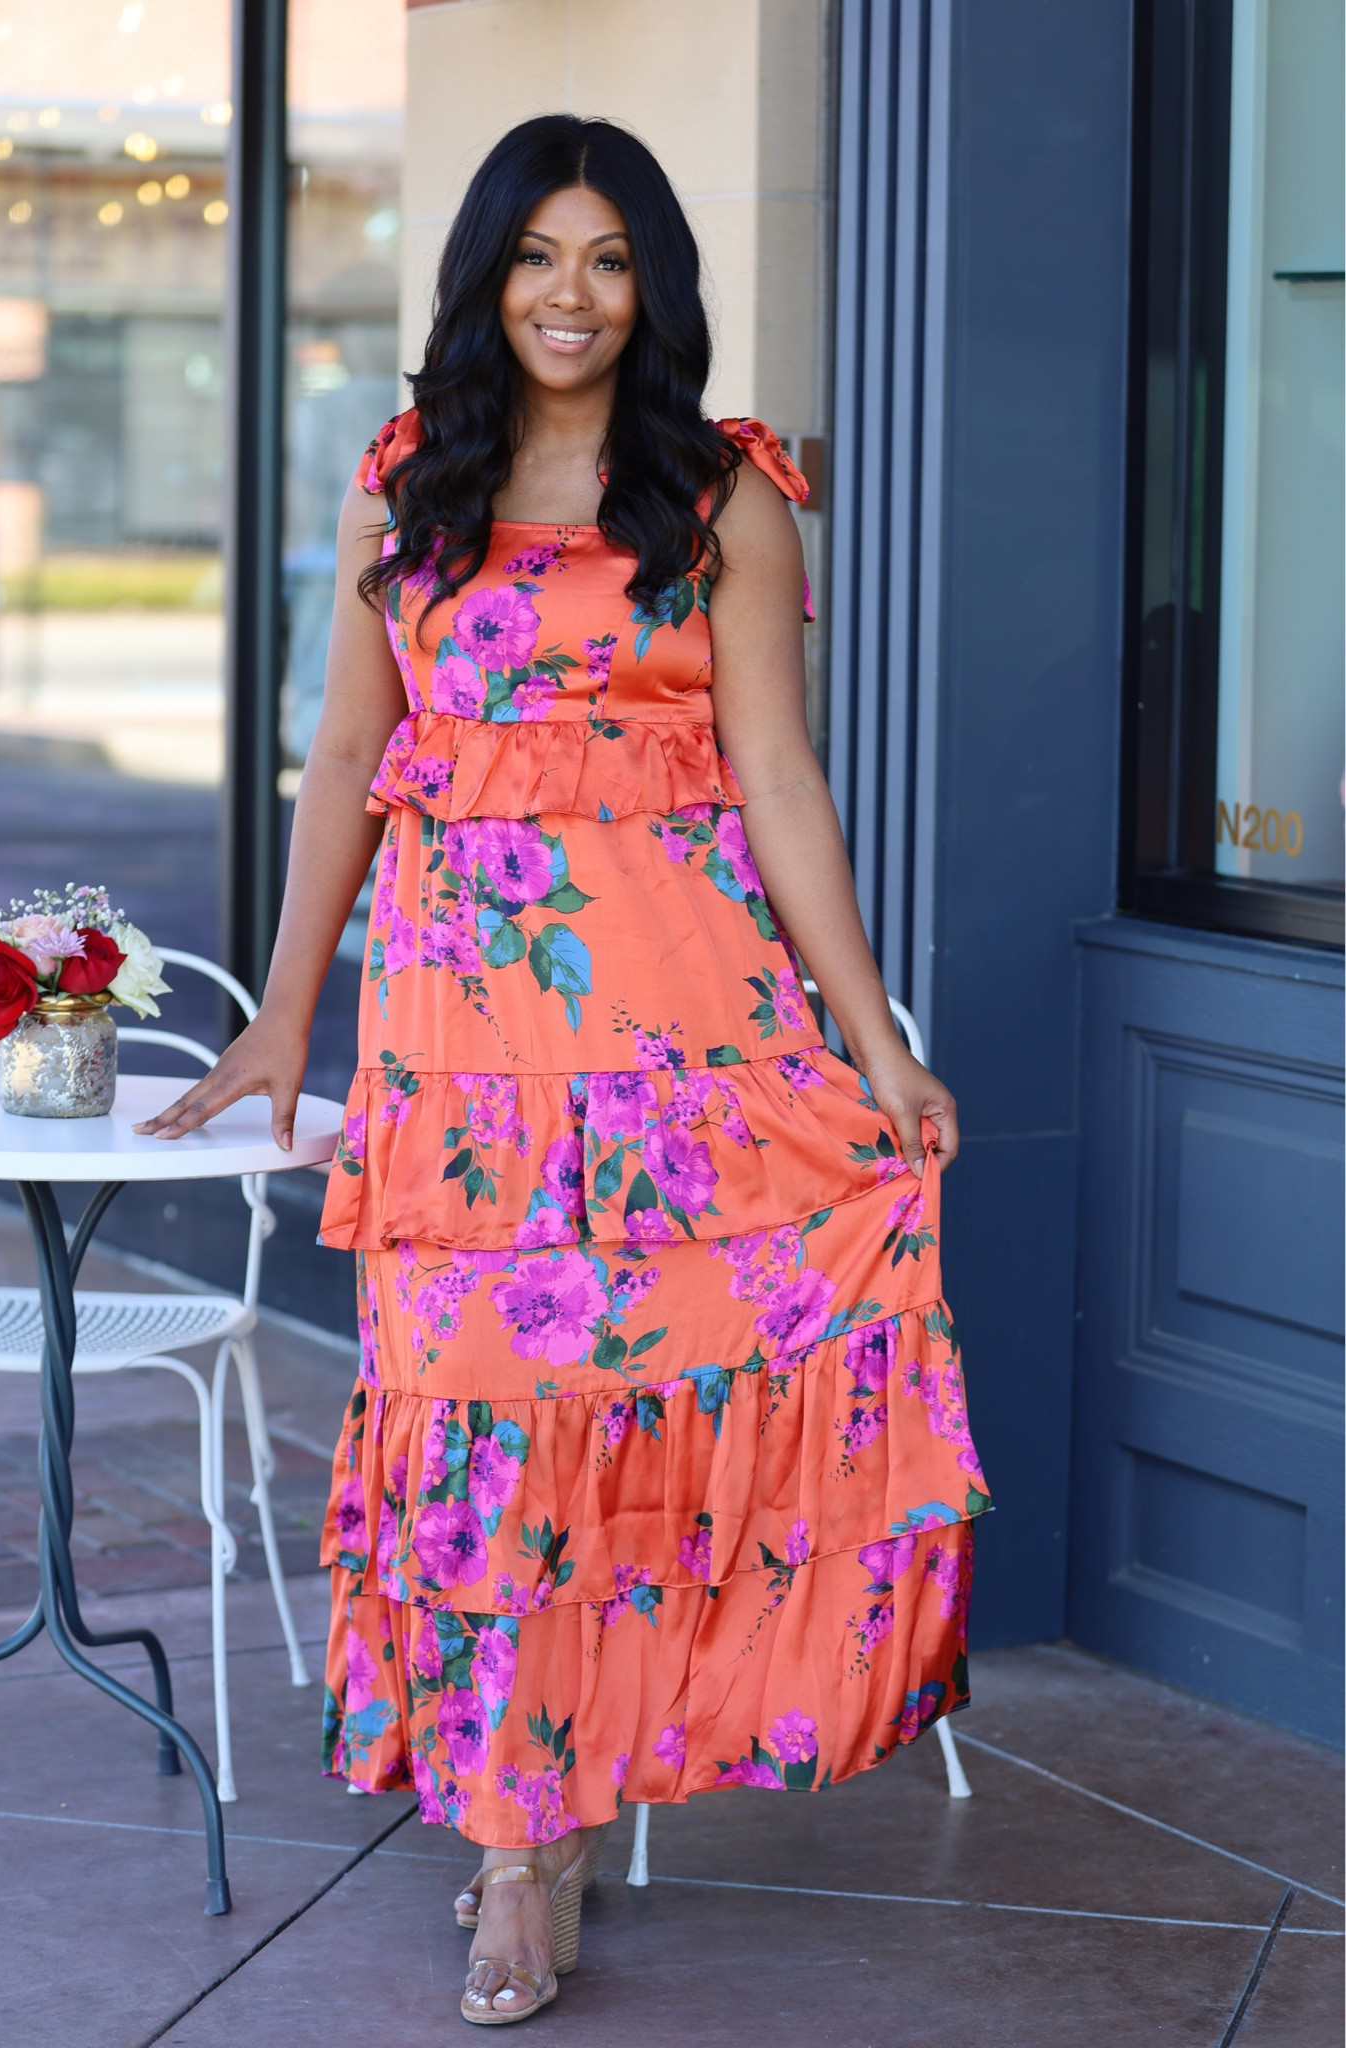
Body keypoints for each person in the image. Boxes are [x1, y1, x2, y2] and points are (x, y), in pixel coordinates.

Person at [138, 114, 990, 2029]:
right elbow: (349, 769)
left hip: (684, 1050)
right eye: (538, 256)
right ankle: (519, 1838)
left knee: (635, 1428)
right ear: (485, 272)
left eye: (608, 260)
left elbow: (780, 785)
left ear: (653, 283)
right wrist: (288, 1012)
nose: (570, 296)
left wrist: (868, 1042)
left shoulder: (722, 496)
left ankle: (549, 1833)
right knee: (482, 1430)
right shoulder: (402, 488)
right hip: (462, 1058)